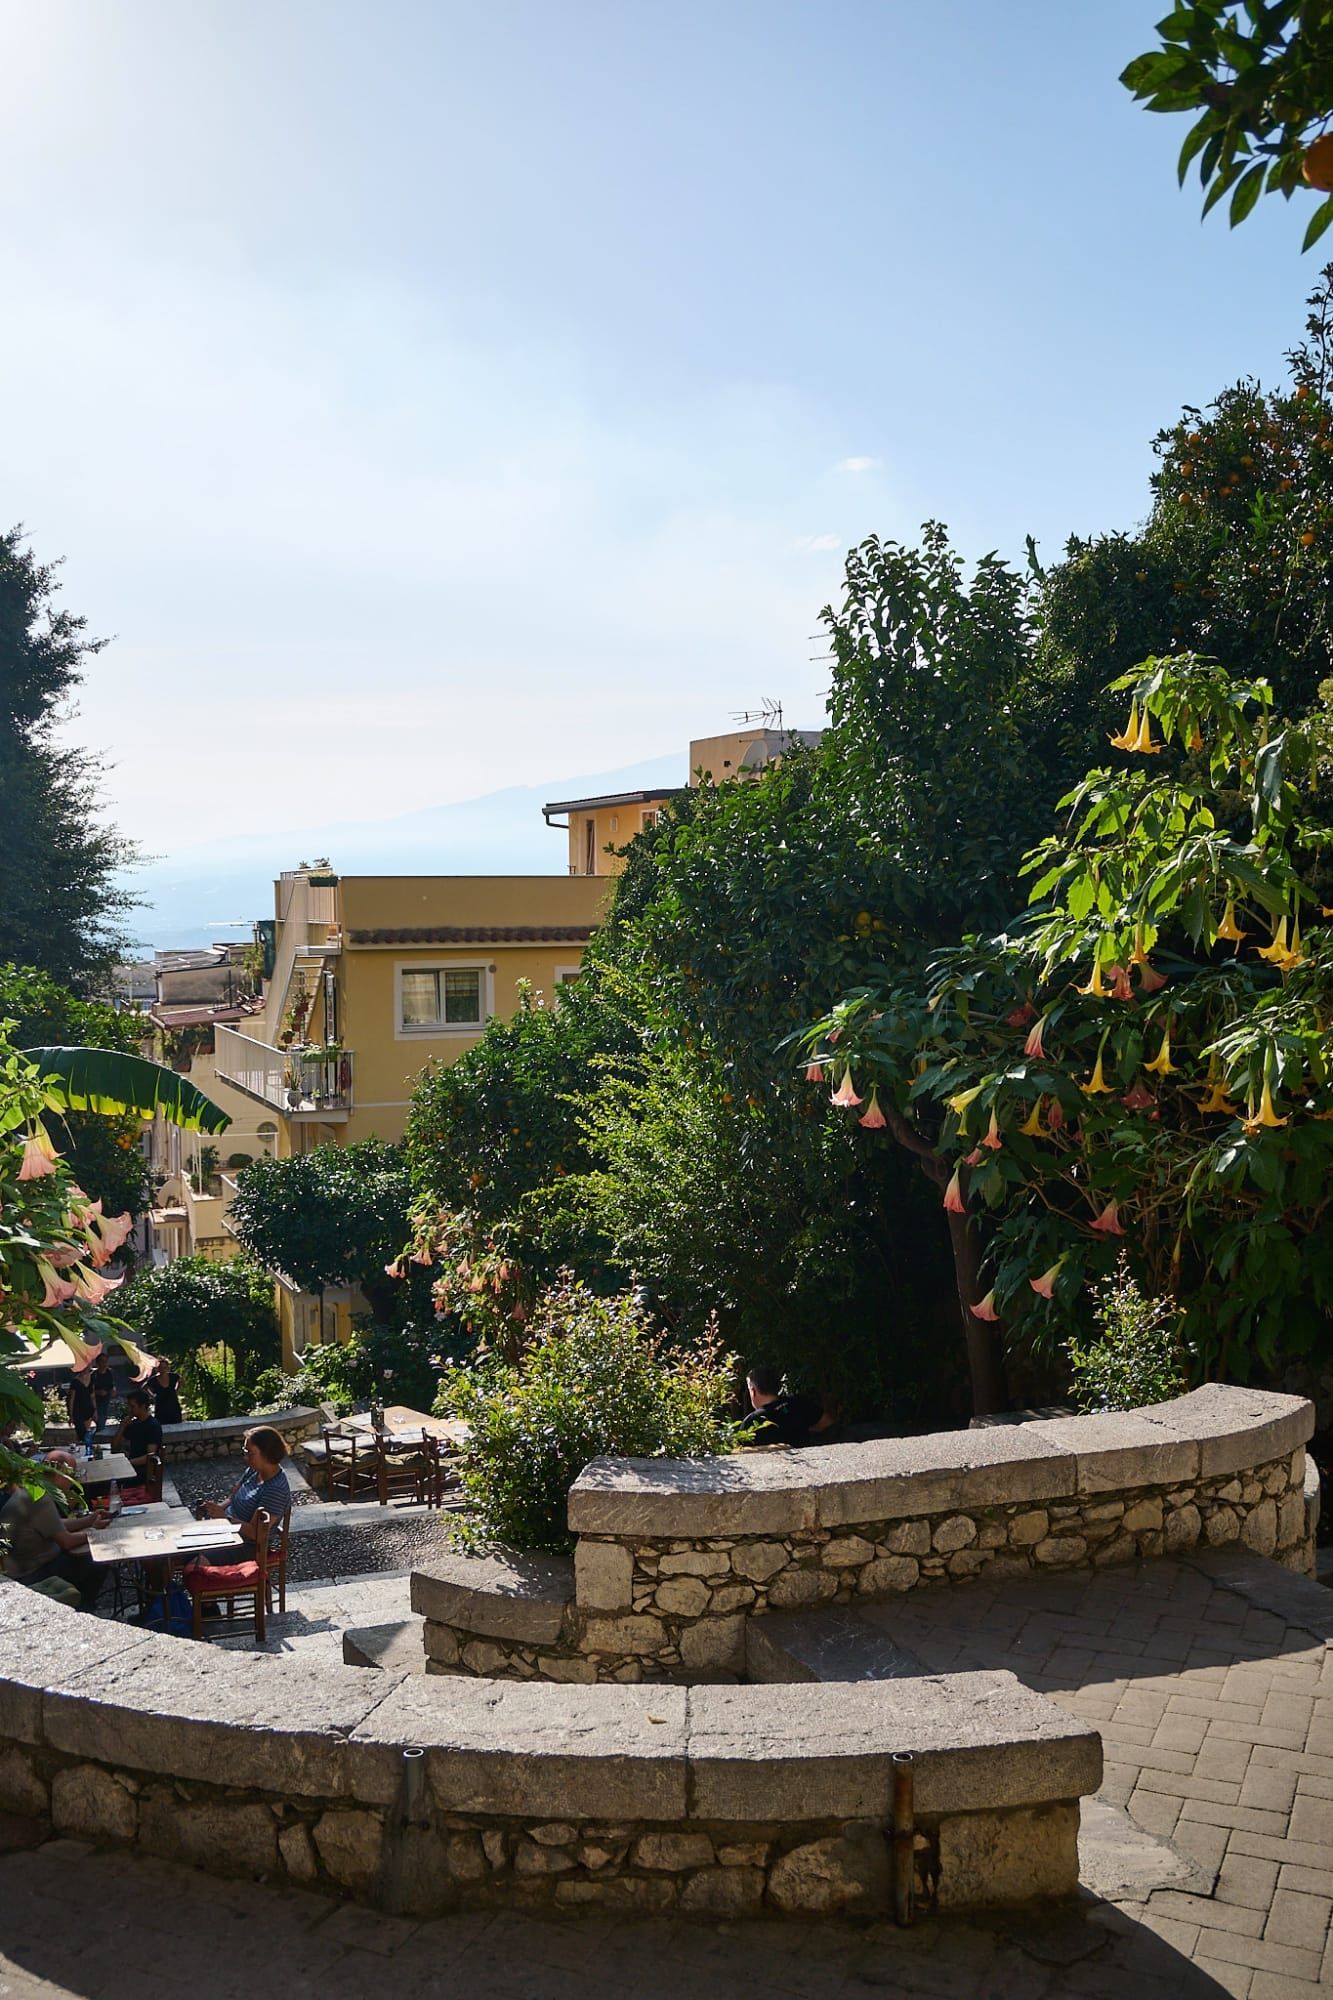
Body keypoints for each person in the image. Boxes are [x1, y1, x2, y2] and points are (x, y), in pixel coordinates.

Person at [0, 1475, 108, 1609]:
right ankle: (83, 1608)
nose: (74, 1481)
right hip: (30, 1574)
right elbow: (67, 1542)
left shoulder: (30, 1491)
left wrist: (88, 1520)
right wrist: (94, 1531)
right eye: (71, 1475)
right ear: (59, 1476)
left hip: (22, 1567)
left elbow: (53, 1523)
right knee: (97, 1562)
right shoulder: (38, 1498)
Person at [199, 1426, 291, 1547]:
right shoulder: (254, 1471)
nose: (245, 1457)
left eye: (250, 1453)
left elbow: (255, 1533)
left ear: (267, 1454)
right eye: (245, 1452)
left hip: (247, 1545)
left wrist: (225, 1518)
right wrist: (215, 1510)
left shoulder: (275, 1490)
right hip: (227, 1530)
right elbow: (232, 1497)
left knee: (194, 1561)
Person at [738, 1365, 825, 1448]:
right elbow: (827, 1423)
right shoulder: (798, 1402)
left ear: (753, 1391)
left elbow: (740, 1454)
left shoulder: (752, 1421)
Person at [112, 1388, 163, 1476]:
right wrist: (122, 1427)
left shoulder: (153, 1426)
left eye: (132, 1406)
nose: (129, 1410)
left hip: (144, 1471)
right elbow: (115, 1447)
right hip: (132, 1466)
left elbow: (150, 1455)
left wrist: (128, 1462)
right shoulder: (134, 1424)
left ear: (142, 1406)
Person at [148, 1356, 183, 1427]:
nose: (163, 1370)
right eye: (161, 1367)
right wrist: (152, 1396)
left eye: (165, 1367)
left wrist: (177, 1390)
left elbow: (181, 1380)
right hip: (161, 1407)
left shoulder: (173, 1376)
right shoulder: (154, 1380)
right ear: (157, 1369)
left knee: (177, 1425)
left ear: (168, 1367)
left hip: (173, 1405)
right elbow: (144, 1388)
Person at [66, 1364, 96, 1442]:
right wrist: (71, 1415)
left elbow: (92, 1396)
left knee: (87, 1432)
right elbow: (71, 1399)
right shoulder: (75, 1381)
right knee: (80, 1431)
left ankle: (87, 1446)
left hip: (88, 1407)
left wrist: (95, 1410)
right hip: (78, 1409)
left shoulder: (92, 1379)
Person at [91, 1354, 117, 1428]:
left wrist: (113, 1390)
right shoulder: (94, 1375)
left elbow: (112, 1385)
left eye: (106, 1361)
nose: (104, 1364)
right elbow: (89, 1390)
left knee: (103, 1419)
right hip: (95, 1401)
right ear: (97, 1363)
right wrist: (98, 1392)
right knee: (100, 1421)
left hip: (106, 1400)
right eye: (102, 1361)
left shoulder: (110, 1373)